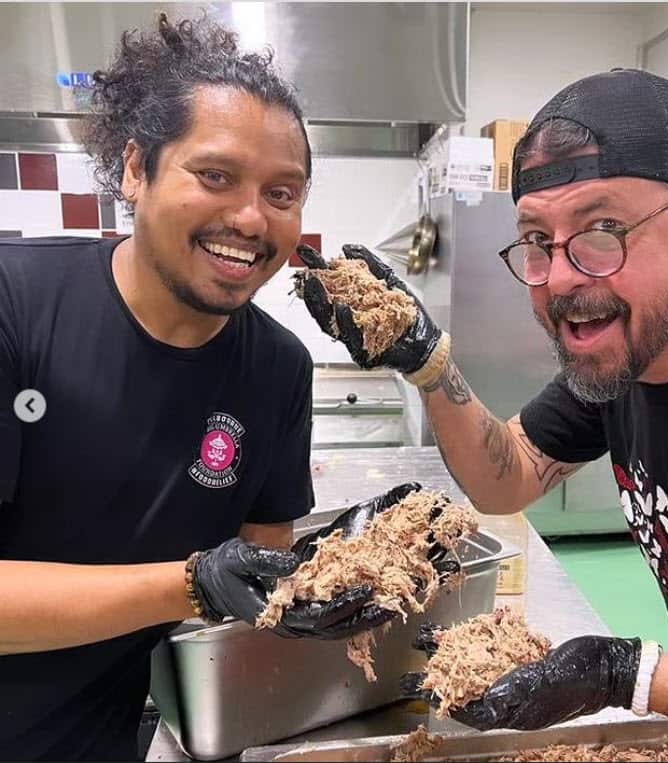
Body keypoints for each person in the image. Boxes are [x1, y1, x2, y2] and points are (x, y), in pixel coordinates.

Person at [298, 68, 668, 761]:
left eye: (602, 229)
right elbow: (506, 477)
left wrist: (629, 673)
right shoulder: (633, 351)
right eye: (537, 240)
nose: (561, 276)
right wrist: (426, 361)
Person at [0, 14, 411, 761]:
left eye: (282, 193)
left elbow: (256, 601)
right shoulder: (14, 304)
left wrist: (351, 575)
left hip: (104, 736)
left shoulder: (278, 369)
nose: (250, 218)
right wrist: (194, 582)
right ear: (135, 169)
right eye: (214, 176)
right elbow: (206, 588)